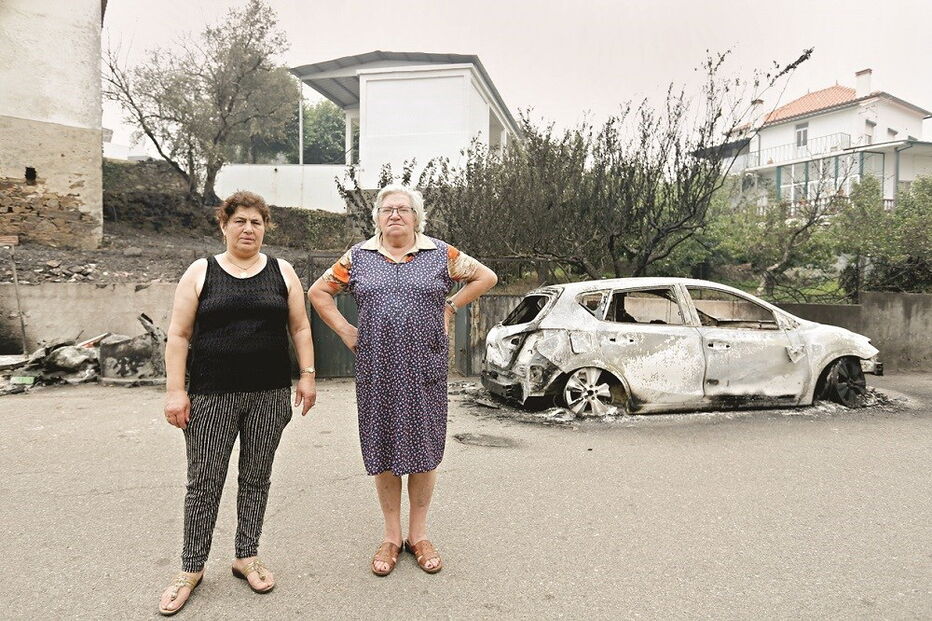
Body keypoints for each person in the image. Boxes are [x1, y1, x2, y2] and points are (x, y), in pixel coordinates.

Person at [308, 184, 497, 576]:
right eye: (387, 209)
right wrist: (345, 330)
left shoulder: (440, 254)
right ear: (377, 217)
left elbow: (486, 277)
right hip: (377, 371)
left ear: (417, 217)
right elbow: (319, 292)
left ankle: (420, 535)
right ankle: (392, 537)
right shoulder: (358, 258)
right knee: (384, 449)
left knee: (424, 452)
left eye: (404, 209)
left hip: (424, 369)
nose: (395, 214)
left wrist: (451, 305)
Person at [158, 191, 317, 615]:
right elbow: (178, 335)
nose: (249, 229)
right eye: (240, 221)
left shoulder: (282, 272)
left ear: (265, 228)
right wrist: (176, 390)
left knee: (256, 478)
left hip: (269, 395)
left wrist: (307, 375)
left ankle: (246, 555)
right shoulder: (201, 271)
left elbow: (300, 328)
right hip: (211, 396)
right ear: (224, 225)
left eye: (257, 222)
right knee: (203, 483)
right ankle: (190, 568)